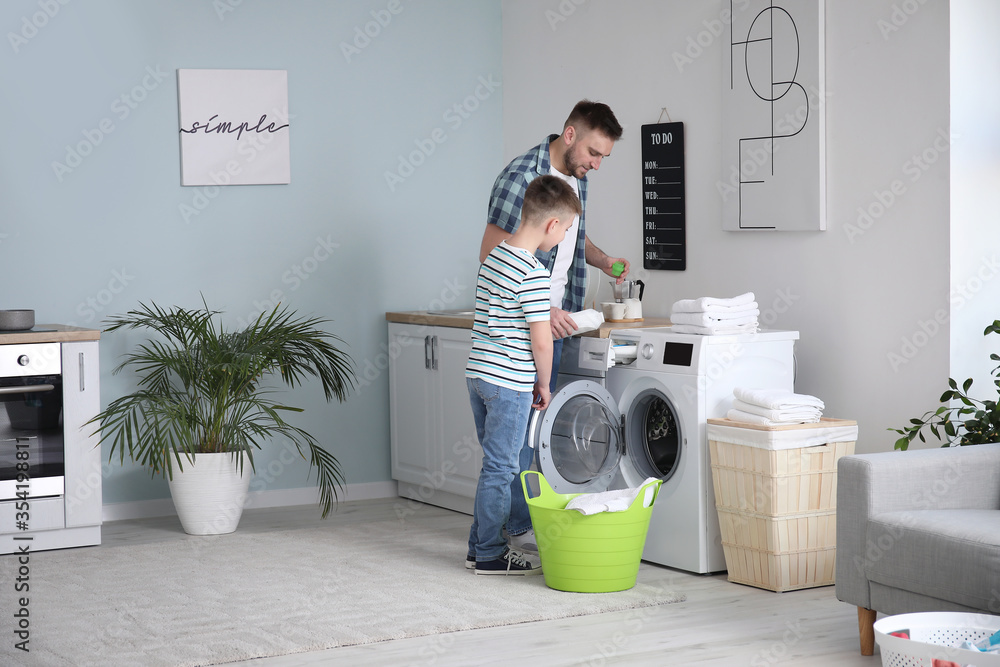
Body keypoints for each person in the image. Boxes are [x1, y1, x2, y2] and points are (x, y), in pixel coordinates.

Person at [478, 100, 628, 552]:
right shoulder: (521, 176)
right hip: (527, 323)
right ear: (569, 135)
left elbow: (571, 237)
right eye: (594, 153)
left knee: (532, 434)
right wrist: (539, 306)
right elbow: (492, 251)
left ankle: (516, 528)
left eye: (604, 157)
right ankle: (511, 534)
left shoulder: (577, 180)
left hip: (557, 322)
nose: (597, 165)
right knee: (517, 442)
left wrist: (604, 261)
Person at [465, 175, 582, 575]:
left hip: (478, 376)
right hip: (508, 384)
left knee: (494, 464)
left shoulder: (494, 256)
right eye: (566, 230)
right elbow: (542, 340)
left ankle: (477, 546)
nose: (563, 237)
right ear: (552, 225)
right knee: (502, 468)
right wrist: (545, 383)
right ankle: (491, 554)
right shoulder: (533, 274)